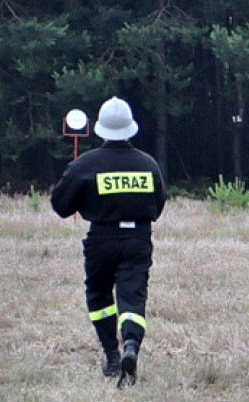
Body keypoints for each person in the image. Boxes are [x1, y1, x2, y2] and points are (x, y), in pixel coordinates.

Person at [51, 97, 167, 387]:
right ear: (131, 129)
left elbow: (61, 205)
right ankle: (131, 345)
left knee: (100, 297)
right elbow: (158, 205)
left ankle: (113, 357)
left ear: (100, 129)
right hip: (138, 238)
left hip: (101, 238)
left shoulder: (84, 164)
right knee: (132, 297)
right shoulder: (147, 163)